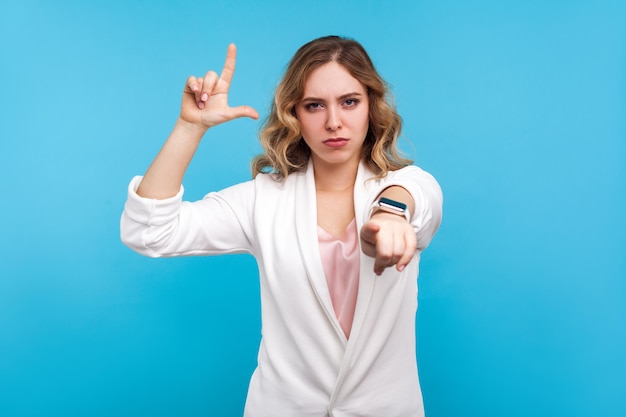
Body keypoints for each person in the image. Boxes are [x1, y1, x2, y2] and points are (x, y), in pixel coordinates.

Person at [121, 35, 443, 417]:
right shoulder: (263, 200)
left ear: (371, 106)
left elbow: (412, 196)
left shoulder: (411, 185)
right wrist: (189, 127)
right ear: (294, 113)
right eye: (314, 106)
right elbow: (148, 232)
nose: (334, 122)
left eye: (349, 102)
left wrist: (390, 215)